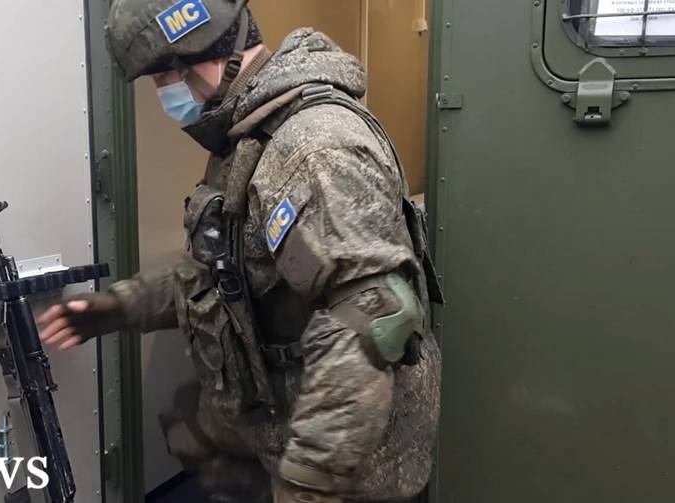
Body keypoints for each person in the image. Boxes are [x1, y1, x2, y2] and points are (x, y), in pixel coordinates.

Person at [37, 1, 443, 502]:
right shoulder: (251, 139)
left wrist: (306, 487)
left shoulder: (314, 150)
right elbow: (227, 273)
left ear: (200, 58)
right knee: (188, 431)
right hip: (279, 426)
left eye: (162, 77)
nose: (165, 95)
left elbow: (369, 322)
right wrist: (123, 305)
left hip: (348, 473)